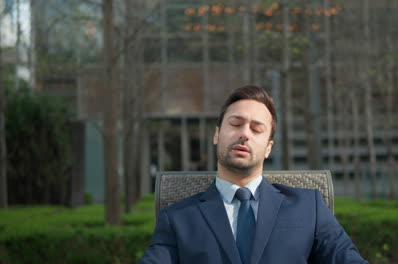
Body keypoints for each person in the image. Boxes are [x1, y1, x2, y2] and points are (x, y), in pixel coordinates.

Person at [139, 85, 368, 264]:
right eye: (235, 124)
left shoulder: (310, 207)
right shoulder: (178, 219)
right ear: (217, 135)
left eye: (256, 129)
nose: (244, 134)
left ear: (268, 148)